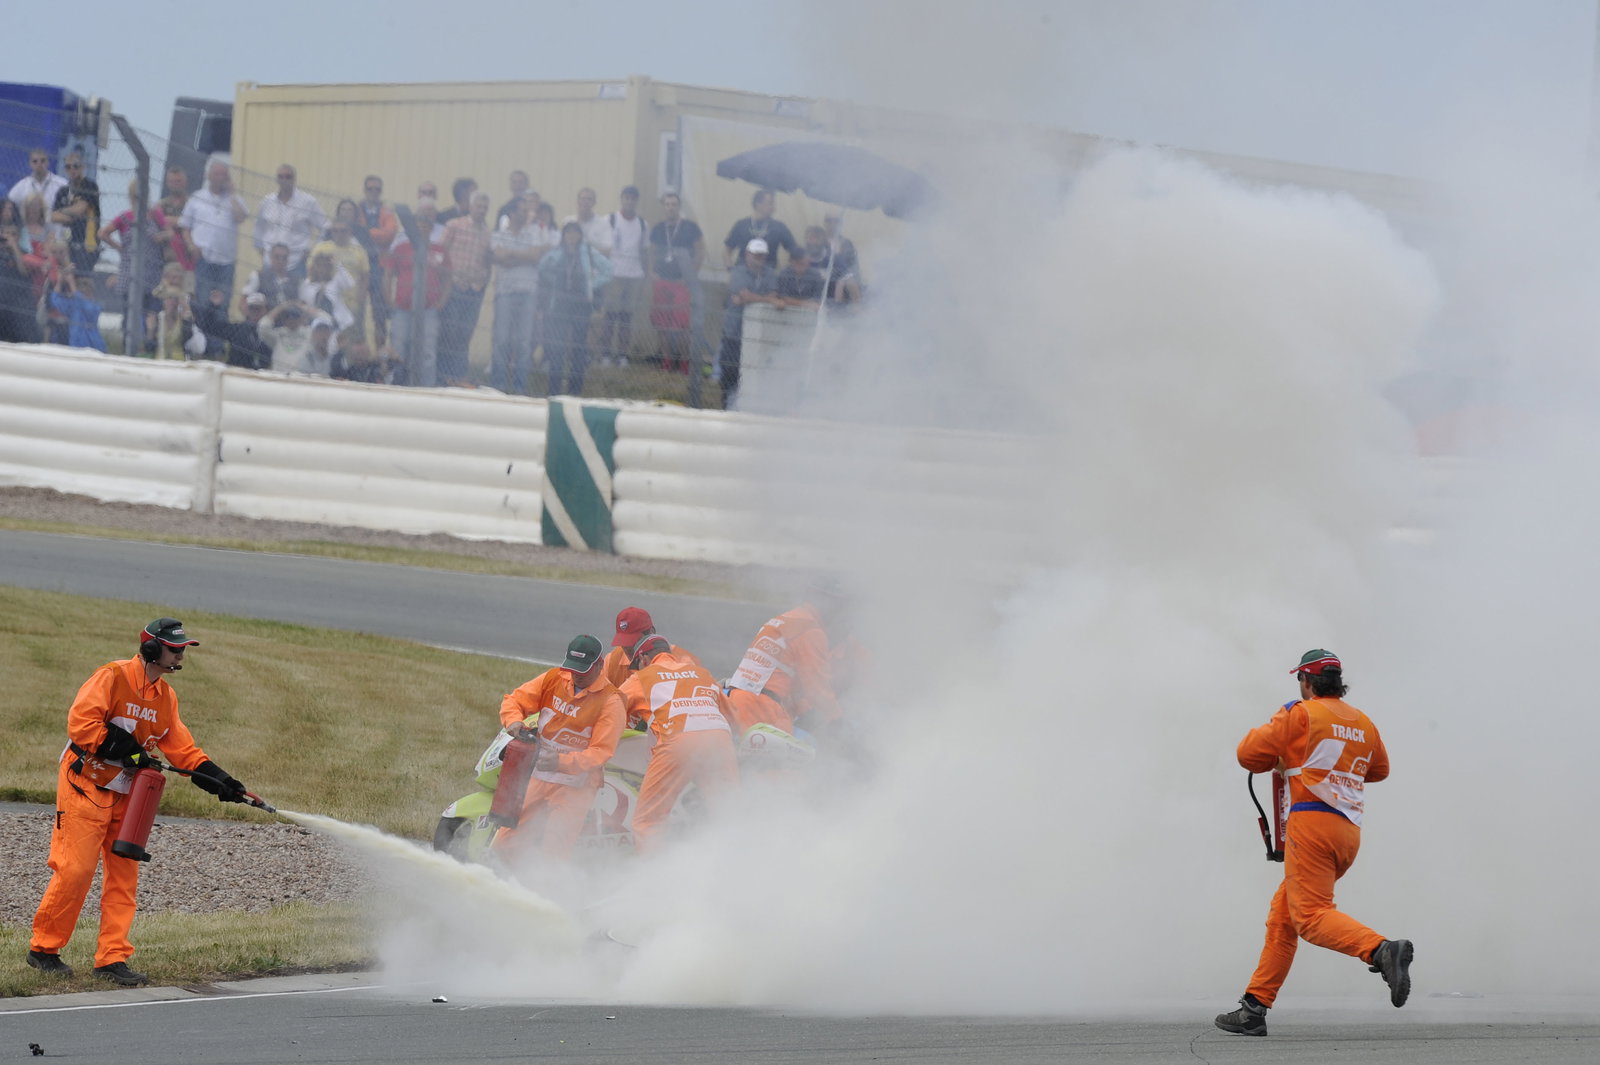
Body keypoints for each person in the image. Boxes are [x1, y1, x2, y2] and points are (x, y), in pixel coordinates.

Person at [26, 618, 252, 987]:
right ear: (151, 649)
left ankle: (112, 959)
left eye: (183, 649)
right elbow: (82, 724)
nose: (180, 654)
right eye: (174, 648)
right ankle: (44, 950)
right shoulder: (111, 676)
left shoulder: (166, 698)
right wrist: (129, 753)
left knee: (124, 877)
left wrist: (222, 782)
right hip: (84, 785)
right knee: (75, 870)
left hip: (128, 797)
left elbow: (184, 751)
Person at [1214, 650, 1412, 1037]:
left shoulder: (1300, 713)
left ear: (1306, 682)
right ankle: (1254, 1008)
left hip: (1311, 822)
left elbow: (1247, 755)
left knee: (1310, 916)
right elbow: (1380, 769)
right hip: (1348, 831)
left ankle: (1381, 950)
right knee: (1283, 916)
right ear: (1338, 683)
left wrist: (1286, 733)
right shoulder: (1363, 722)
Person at [491, 635, 625, 864]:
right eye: (573, 669)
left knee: (555, 851)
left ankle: (546, 891)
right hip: (539, 774)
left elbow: (601, 752)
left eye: (583, 671)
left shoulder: (611, 702)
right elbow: (514, 701)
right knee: (507, 840)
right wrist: (513, 721)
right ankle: (502, 884)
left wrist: (561, 763)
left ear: (599, 665)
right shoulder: (554, 678)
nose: (576, 676)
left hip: (577, 785)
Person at [616, 634, 739, 853]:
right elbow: (734, 721)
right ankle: (735, 868)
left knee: (648, 822)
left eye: (637, 665)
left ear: (643, 659)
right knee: (729, 814)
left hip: (679, 742)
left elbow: (607, 711)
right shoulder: (702, 674)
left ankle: (656, 879)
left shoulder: (641, 678)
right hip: (719, 739)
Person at [724, 590, 846, 738]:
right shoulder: (811, 630)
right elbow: (816, 687)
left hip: (734, 699)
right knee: (789, 757)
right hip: (763, 710)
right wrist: (837, 719)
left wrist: (802, 710)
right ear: (830, 604)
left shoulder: (783, 619)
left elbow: (781, 672)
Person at [537, 221, 612, 396]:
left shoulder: (587, 252)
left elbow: (608, 270)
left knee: (578, 348)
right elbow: (542, 267)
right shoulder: (557, 253)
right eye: (568, 233)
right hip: (560, 305)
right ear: (563, 236)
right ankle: (554, 391)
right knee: (557, 349)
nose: (571, 236)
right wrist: (553, 279)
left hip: (581, 305)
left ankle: (574, 392)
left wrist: (591, 284)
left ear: (580, 235)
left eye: (575, 233)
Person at [386, 199, 450, 387]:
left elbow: (447, 279)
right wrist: (389, 298)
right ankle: (396, 388)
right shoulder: (401, 247)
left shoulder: (440, 250)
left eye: (428, 222)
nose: (424, 225)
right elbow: (388, 274)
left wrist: (442, 301)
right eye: (421, 221)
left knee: (427, 353)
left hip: (429, 310)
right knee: (399, 350)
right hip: (402, 309)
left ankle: (426, 390)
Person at [489, 196, 549, 395]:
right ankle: (497, 386)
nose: (526, 214)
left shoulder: (534, 233)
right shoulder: (498, 235)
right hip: (505, 291)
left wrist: (512, 255)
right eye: (522, 210)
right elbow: (498, 256)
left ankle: (519, 387)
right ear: (512, 213)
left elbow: (535, 256)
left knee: (524, 342)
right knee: (502, 340)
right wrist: (524, 256)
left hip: (528, 292)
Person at [438, 191, 494, 385]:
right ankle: (444, 374)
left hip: (474, 289)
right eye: (479, 206)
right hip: (453, 286)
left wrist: (484, 279)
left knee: (465, 333)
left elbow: (488, 260)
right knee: (450, 331)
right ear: (471, 206)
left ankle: (459, 374)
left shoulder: (488, 233)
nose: (482, 210)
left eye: (485, 207)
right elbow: (441, 251)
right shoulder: (454, 225)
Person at [718, 238, 779, 408]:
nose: (758, 258)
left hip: (759, 335)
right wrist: (765, 299)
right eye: (755, 255)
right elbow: (744, 295)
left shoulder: (770, 273)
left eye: (761, 255)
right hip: (734, 332)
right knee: (730, 370)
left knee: (755, 372)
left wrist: (752, 298)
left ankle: (749, 405)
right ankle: (727, 406)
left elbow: (773, 296)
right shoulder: (737, 272)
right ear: (747, 254)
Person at [179, 161, 249, 303]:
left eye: (224, 174)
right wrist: (191, 246)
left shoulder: (234, 199)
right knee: (203, 300)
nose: (221, 177)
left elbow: (241, 217)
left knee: (222, 304)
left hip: (226, 261)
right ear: (209, 176)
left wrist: (232, 194)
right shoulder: (197, 197)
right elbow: (185, 227)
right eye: (217, 174)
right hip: (203, 259)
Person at [597, 186, 648, 366]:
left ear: (636, 201)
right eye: (626, 198)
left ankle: (622, 355)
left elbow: (644, 250)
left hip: (634, 276)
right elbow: (601, 247)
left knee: (627, 318)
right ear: (621, 199)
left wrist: (645, 274)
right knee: (610, 316)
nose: (629, 201)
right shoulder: (610, 220)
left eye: (633, 198)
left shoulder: (642, 224)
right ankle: (605, 354)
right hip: (614, 275)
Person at [599, 607, 705, 689]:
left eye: (633, 640)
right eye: (623, 641)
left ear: (652, 633)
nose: (627, 647)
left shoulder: (682, 663)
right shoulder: (613, 660)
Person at [253, 164, 328, 278]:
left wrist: (313, 251)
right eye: (281, 177)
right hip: (270, 262)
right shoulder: (267, 201)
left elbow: (325, 226)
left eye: (288, 177)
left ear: (294, 179)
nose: (284, 180)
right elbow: (258, 226)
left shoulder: (307, 202)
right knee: (267, 295)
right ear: (277, 179)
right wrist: (260, 248)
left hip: (296, 263)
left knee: (295, 296)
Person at [358, 176, 399, 346]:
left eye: (377, 189)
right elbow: (356, 232)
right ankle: (357, 353)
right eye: (370, 188)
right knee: (356, 311)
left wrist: (367, 232)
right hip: (359, 266)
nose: (374, 192)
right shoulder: (357, 209)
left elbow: (389, 234)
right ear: (365, 190)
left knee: (380, 314)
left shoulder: (387, 212)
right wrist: (377, 233)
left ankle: (380, 353)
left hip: (379, 267)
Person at [49, 152, 101, 276]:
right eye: (68, 167)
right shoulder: (63, 190)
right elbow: (52, 216)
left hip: (86, 244)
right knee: (64, 278)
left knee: (82, 280)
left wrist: (62, 211)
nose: (72, 170)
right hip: (65, 244)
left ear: (83, 167)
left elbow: (80, 210)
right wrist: (70, 214)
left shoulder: (90, 186)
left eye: (76, 166)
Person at [195, 289, 272, 369]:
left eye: (258, 309)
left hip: (260, 377)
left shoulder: (273, 333)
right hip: (235, 375)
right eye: (252, 308)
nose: (255, 312)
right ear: (247, 310)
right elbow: (210, 328)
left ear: (265, 310)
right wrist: (213, 305)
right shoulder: (237, 329)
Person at [723, 189, 797, 269]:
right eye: (770, 203)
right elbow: (727, 249)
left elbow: (794, 250)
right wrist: (730, 267)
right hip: (743, 272)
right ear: (758, 204)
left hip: (768, 273)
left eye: (773, 204)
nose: (773, 207)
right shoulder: (742, 224)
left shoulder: (779, 227)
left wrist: (788, 271)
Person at [8, 148, 68, 215]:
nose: (39, 164)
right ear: (30, 164)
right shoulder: (22, 185)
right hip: (29, 225)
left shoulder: (62, 184)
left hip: (56, 224)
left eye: (42, 161)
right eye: (35, 161)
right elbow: (9, 203)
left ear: (48, 162)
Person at [240, 243, 297, 311]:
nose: (280, 261)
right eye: (277, 257)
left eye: (284, 258)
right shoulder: (257, 276)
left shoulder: (297, 281)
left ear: (288, 259)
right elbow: (242, 304)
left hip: (288, 320)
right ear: (270, 257)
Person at [562, 187, 611, 255]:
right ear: (578, 201)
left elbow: (607, 250)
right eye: (583, 199)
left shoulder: (603, 223)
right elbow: (561, 246)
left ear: (594, 202)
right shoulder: (568, 221)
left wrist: (586, 251)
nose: (586, 202)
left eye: (589, 199)